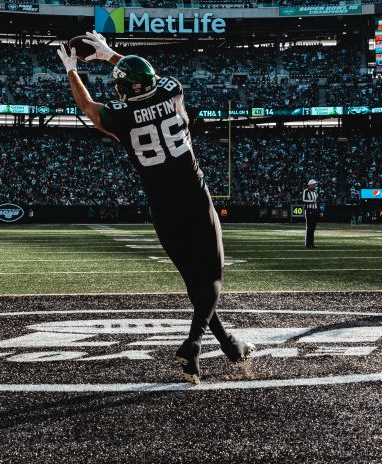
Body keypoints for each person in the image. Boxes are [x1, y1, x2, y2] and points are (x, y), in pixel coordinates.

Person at [57, 31, 253, 384]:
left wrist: (73, 69)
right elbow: (151, 79)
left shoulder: (120, 115)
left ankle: (228, 343)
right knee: (211, 276)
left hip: (162, 205)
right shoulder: (173, 91)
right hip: (193, 196)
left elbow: (87, 107)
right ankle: (193, 344)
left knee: (194, 281)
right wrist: (108, 54)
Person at [302, 179, 321, 249]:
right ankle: (307, 244)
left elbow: (317, 202)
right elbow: (303, 200)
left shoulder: (315, 192)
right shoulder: (306, 191)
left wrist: (320, 211)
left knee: (313, 228)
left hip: (315, 211)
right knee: (309, 227)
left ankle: (312, 243)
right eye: (314, 184)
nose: (315, 186)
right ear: (310, 185)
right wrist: (312, 201)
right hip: (309, 210)